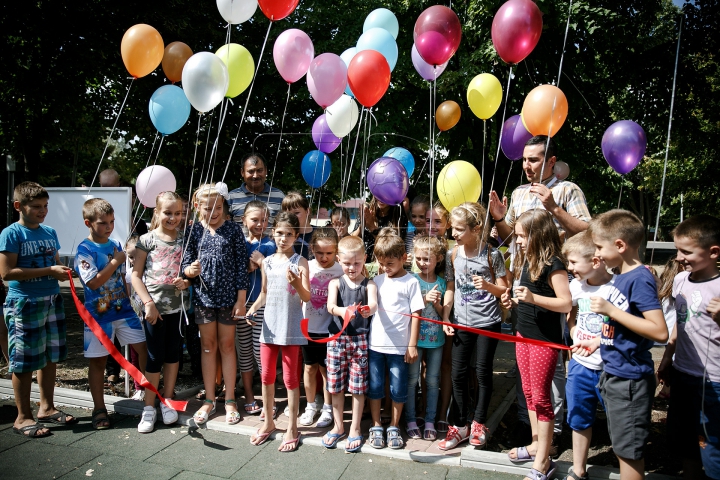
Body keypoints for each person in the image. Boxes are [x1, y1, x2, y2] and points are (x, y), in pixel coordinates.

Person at [573, 209, 668, 480]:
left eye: (600, 247)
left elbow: (659, 331)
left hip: (629, 380)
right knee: (622, 447)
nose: (597, 254)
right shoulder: (622, 277)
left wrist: (611, 311)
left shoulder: (639, 279)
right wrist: (598, 341)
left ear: (620, 245)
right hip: (615, 373)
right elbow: (626, 329)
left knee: (628, 452)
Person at [0, 182, 76, 437]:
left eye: (45, 206)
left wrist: (62, 271)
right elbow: (7, 273)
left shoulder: (50, 231)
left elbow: (54, 263)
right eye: (36, 207)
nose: (42, 211)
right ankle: (23, 417)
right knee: (23, 362)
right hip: (24, 303)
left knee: (50, 357)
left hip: (51, 300)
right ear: (18, 206)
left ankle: (47, 408)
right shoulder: (11, 234)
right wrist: (48, 271)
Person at [501, 209, 572, 480]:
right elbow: (529, 297)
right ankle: (535, 445)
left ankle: (544, 460)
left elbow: (565, 303)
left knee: (542, 398)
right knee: (529, 393)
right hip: (523, 335)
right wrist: (515, 299)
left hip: (544, 341)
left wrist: (532, 298)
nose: (517, 240)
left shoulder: (555, 264)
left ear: (537, 235)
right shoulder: (527, 260)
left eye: (521, 236)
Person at [439, 203, 508, 451]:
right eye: (452, 229)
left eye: (458, 229)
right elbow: (450, 287)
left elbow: (503, 288)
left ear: (476, 228)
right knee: (457, 374)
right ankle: (460, 425)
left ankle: (478, 423)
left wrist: (488, 287)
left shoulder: (492, 254)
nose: (453, 234)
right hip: (460, 323)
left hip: (487, 322)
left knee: (482, 373)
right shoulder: (452, 255)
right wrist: (446, 317)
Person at [75, 198, 148, 430]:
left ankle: (148, 394)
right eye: (103, 223)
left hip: (124, 310)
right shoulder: (84, 250)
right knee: (98, 363)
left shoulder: (115, 243)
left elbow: (122, 278)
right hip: (99, 316)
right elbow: (94, 283)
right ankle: (99, 409)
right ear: (88, 223)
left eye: (112, 221)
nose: (109, 226)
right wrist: (116, 261)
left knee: (144, 348)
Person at [658, 215, 720, 480]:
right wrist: (667, 357)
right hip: (683, 373)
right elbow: (679, 325)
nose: (679, 257)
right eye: (677, 250)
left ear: (714, 252)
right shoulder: (682, 280)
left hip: (713, 382)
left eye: (686, 251)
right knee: (686, 442)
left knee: (712, 444)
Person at [181, 184, 248, 426]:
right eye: (208, 208)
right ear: (198, 207)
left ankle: (230, 399)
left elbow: (242, 267)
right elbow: (185, 264)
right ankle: (209, 399)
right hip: (204, 298)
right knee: (208, 347)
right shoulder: (193, 232)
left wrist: (241, 300)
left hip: (229, 299)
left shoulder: (233, 230)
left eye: (218, 207)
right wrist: (189, 270)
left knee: (227, 346)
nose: (214, 212)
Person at [246, 212, 311, 453]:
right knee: (266, 377)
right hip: (269, 328)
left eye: (289, 234)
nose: (283, 238)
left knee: (290, 379)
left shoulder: (300, 262)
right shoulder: (268, 261)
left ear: (296, 235)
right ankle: (269, 422)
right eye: (279, 233)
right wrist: (251, 309)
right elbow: (264, 293)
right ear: (273, 233)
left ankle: (292, 427)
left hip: (291, 328)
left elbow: (306, 296)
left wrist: (296, 283)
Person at [131, 191, 190, 433]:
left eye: (178, 213)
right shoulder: (146, 240)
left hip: (178, 309)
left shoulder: (184, 239)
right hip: (155, 310)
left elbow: (187, 273)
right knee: (154, 357)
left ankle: (167, 400)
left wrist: (186, 282)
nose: (173, 218)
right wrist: (148, 303)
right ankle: (148, 406)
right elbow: (136, 275)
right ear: (156, 212)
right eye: (168, 213)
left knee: (173, 355)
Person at [561, 231, 615, 480]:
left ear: (595, 261)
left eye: (573, 263)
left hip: (609, 367)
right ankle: (578, 469)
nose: (570, 268)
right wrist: (573, 333)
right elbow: (571, 316)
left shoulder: (616, 288)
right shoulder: (575, 286)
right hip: (580, 365)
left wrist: (599, 342)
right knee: (579, 417)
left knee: (617, 420)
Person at [367, 229, 425, 450]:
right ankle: (375, 425)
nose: (385, 268)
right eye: (382, 263)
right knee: (375, 387)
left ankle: (393, 426)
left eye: (390, 263)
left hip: (400, 347)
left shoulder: (411, 282)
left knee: (398, 389)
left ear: (403, 258)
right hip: (375, 345)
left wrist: (412, 345)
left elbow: (416, 314)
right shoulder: (377, 280)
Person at [323, 235, 378, 452]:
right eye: (346, 263)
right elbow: (330, 307)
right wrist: (343, 311)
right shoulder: (335, 283)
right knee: (335, 386)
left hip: (360, 341)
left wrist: (367, 310)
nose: (352, 267)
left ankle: (355, 428)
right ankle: (338, 427)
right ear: (338, 260)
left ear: (365, 258)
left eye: (356, 263)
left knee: (357, 387)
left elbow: (373, 304)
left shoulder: (369, 284)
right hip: (337, 341)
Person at [488, 135, 591, 243]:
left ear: (551, 161)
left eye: (533, 160)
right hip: (522, 260)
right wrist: (499, 219)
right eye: (524, 159)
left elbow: (588, 233)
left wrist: (554, 208)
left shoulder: (568, 189)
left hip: (555, 260)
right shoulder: (518, 192)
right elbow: (510, 241)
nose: (526, 166)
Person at [406, 235, 448, 441]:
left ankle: (430, 420)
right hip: (416, 340)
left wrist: (438, 303)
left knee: (432, 380)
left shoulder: (441, 283)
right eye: (419, 259)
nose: (422, 263)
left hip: (436, 341)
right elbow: (407, 309)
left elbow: (443, 315)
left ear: (438, 259)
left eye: (427, 259)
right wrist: (424, 299)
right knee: (412, 380)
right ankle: (411, 419)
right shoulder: (412, 280)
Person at [300, 228, 343, 428]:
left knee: (327, 370)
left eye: (329, 253)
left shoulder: (342, 270)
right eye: (319, 253)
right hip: (308, 327)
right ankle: (310, 406)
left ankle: (327, 407)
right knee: (309, 368)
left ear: (336, 252)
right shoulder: (306, 267)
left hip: (330, 330)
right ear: (312, 250)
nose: (324, 257)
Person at [239, 200, 275, 415]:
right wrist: (247, 265)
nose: (259, 224)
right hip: (241, 303)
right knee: (244, 350)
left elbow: (273, 272)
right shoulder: (240, 243)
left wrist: (261, 263)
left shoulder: (271, 245)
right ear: (244, 220)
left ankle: (267, 398)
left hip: (262, 303)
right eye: (254, 219)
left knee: (260, 350)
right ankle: (250, 395)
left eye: (263, 220)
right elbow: (236, 269)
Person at [424, 200, 455, 434]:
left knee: (445, 365)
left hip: (449, 311)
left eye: (437, 221)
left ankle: (443, 412)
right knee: (426, 367)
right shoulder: (420, 247)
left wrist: (446, 313)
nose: (432, 225)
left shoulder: (453, 248)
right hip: (425, 316)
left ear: (448, 223)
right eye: (428, 221)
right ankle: (427, 412)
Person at [227, 153, 285, 226]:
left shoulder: (279, 196)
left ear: (266, 170)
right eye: (251, 171)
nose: (255, 175)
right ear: (242, 172)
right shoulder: (231, 197)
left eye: (259, 170)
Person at [281, 192, 314, 260]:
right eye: (288, 213)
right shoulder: (282, 235)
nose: (292, 217)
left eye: (296, 213)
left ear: (307, 211)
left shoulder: (321, 233)